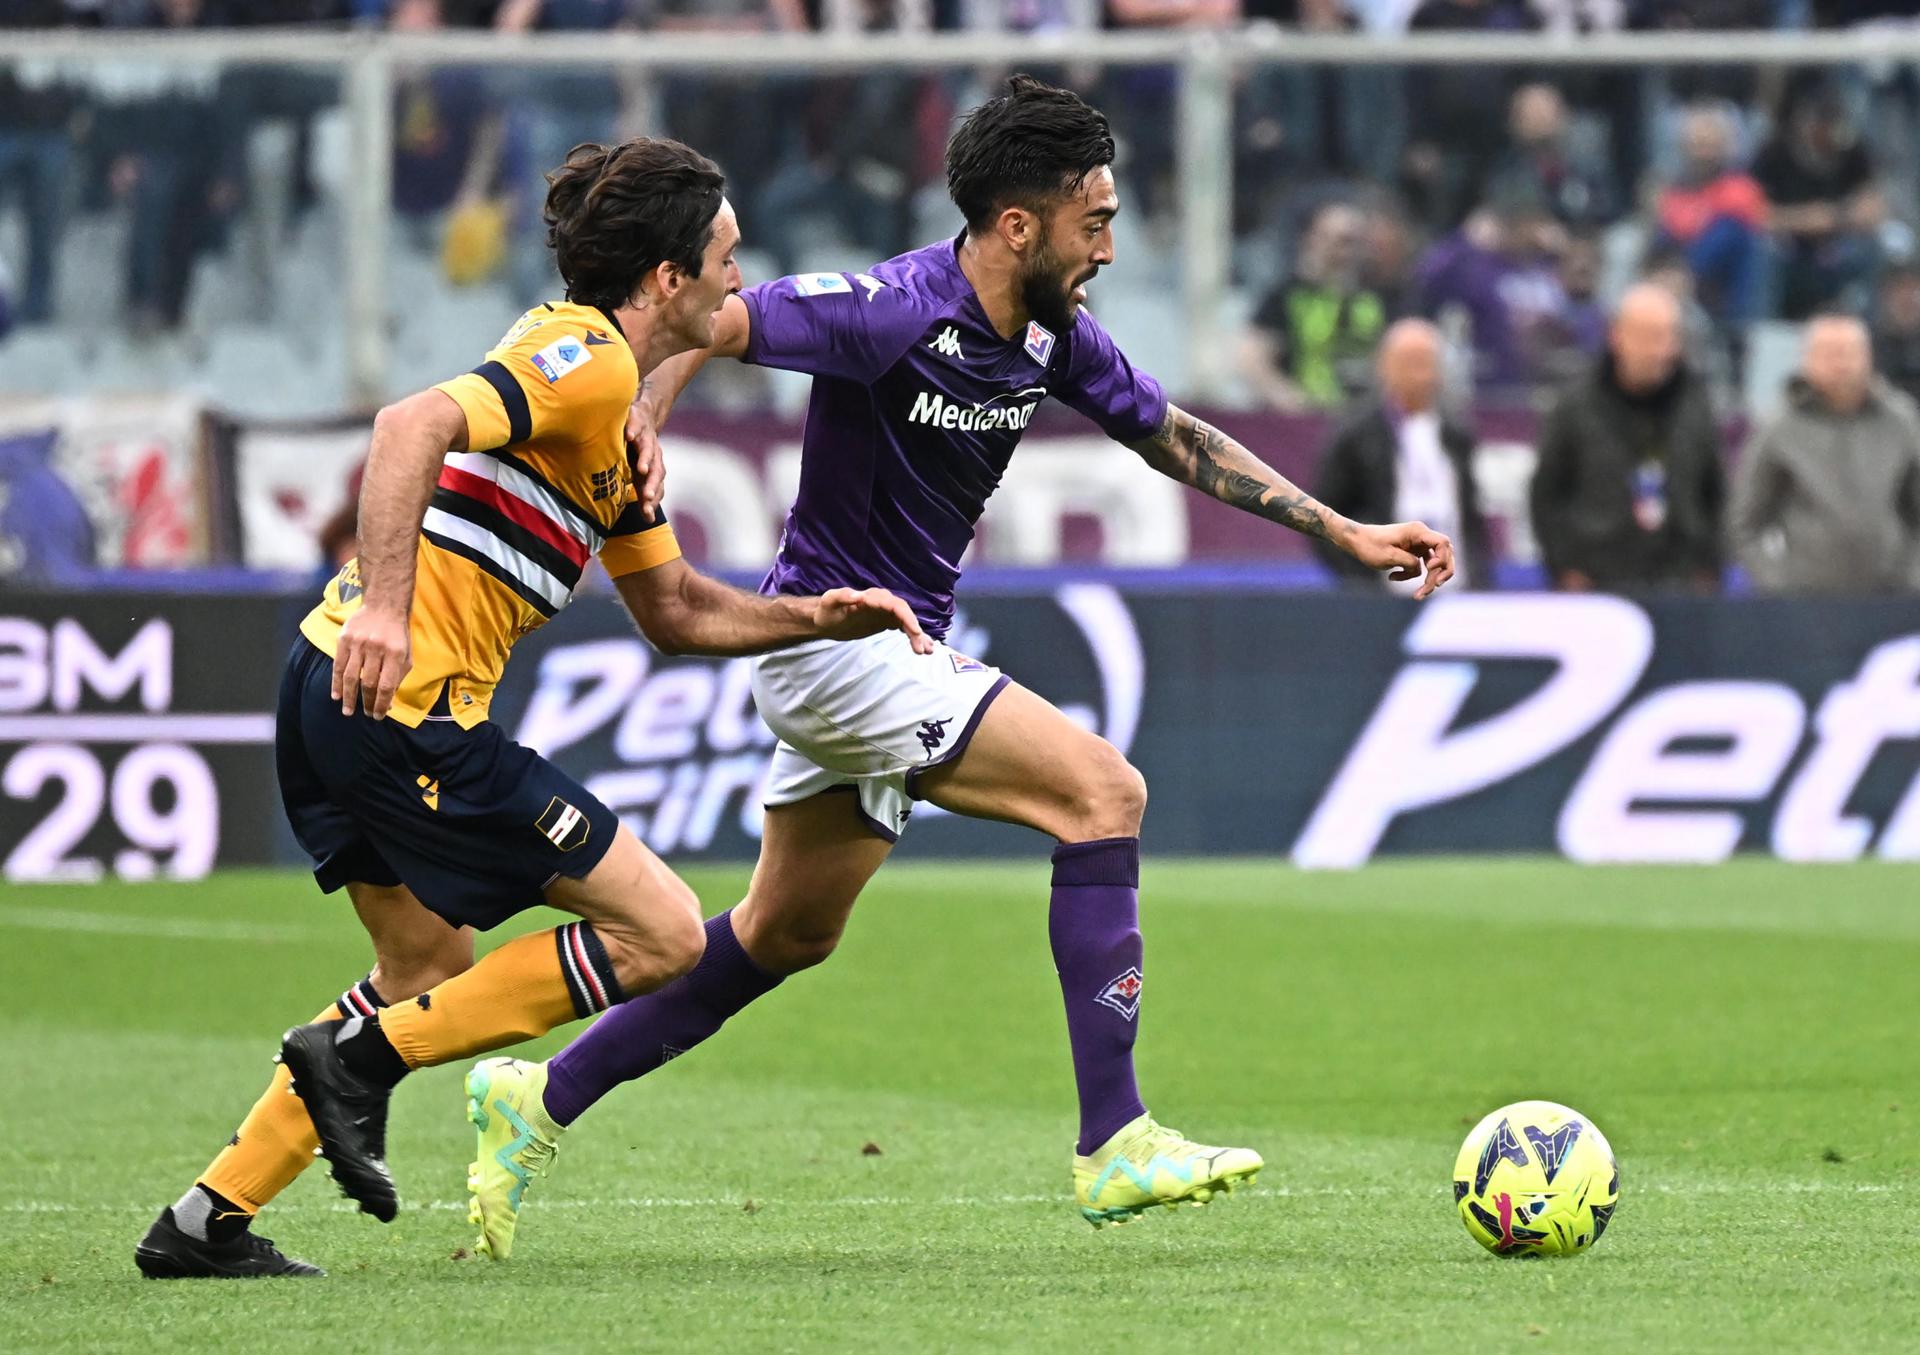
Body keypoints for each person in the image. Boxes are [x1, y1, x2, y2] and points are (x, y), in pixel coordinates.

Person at [460, 75, 1454, 1261]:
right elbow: (704, 321)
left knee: (784, 932)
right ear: (1019, 226)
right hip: (840, 650)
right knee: (1104, 792)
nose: (1110, 244)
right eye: (1094, 219)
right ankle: (1115, 1137)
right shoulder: (890, 308)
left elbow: (1173, 434)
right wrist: (647, 414)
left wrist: (1339, 529)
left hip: (881, 651)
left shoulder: (1048, 334)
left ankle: (538, 1098)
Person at [132, 138, 929, 1280]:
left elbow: (677, 611)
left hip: (334, 690)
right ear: (666, 279)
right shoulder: (589, 357)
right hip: (399, 698)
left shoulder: (610, 423)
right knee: (657, 930)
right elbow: (408, 425)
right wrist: (391, 607)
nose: (738, 284)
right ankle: (356, 1058)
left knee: (426, 960)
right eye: (726, 258)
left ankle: (205, 1219)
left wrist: (824, 615)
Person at [1530, 282, 1725, 592]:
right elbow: (1546, 495)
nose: (1662, 350)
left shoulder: (1695, 405)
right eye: (1650, 338)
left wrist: (1709, 565)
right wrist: (1564, 566)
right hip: (1598, 581)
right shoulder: (1576, 407)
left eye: (1669, 337)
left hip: (1681, 580)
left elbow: (1715, 493)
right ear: (1617, 337)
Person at [1729, 314, 1920, 593]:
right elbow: (1745, 523)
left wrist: (1913, 578)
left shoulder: (1901, 422)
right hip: (1807, 603)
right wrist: (1777, 584)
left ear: (1869, 357)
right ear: (1806, 360)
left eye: (1849, 353)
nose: (1841, 364)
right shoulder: (1778, 429)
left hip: (1892, 598)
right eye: (1829, 354)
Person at [1312, 318, 1489, 589]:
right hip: (1383, 591)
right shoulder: (1357, 435)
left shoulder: (1456, 434)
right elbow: (1326, 515)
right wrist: (1360, 581)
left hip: (1456, 588)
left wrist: (1480, 576)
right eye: (1410, 363)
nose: (1422, 375)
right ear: (1384, 367)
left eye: (1427, 363)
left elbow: (1472, 516)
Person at [1752, 82, 1885, 320]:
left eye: (1831, 121)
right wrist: (1803, 218)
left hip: (1839, 243)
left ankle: (1871, 325)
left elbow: (1873, 207)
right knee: (1761, 252)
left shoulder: (1852, 150)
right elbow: (1753, 213)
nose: (1824, 130)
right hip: (1788, 245)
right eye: (1819, 121)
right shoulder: (1774, 152)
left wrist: (1836, 216)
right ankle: (1765, 329)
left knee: (1879, 245)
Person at [1241, 202, 1391, 411]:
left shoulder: (1375, 298)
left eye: (1356, 242)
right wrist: (1285, 397)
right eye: (1341, 241)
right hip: (1303, 419)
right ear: (1313, 239)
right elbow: (1252, 355)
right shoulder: (1288, 295)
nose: (1347, 253)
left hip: (1358, 419)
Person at [1652, 103, 1768, 336]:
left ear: (1725, 147)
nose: (1701, 152)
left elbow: (1718, 243)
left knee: (1731, 232)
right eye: (1695, 144)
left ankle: (1735, 337)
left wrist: (1683, 274)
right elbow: (1667, 237)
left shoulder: (1742, 188)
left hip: (1725, 293)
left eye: (1708, 145)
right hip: (1678, 282)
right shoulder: (1675, 189)